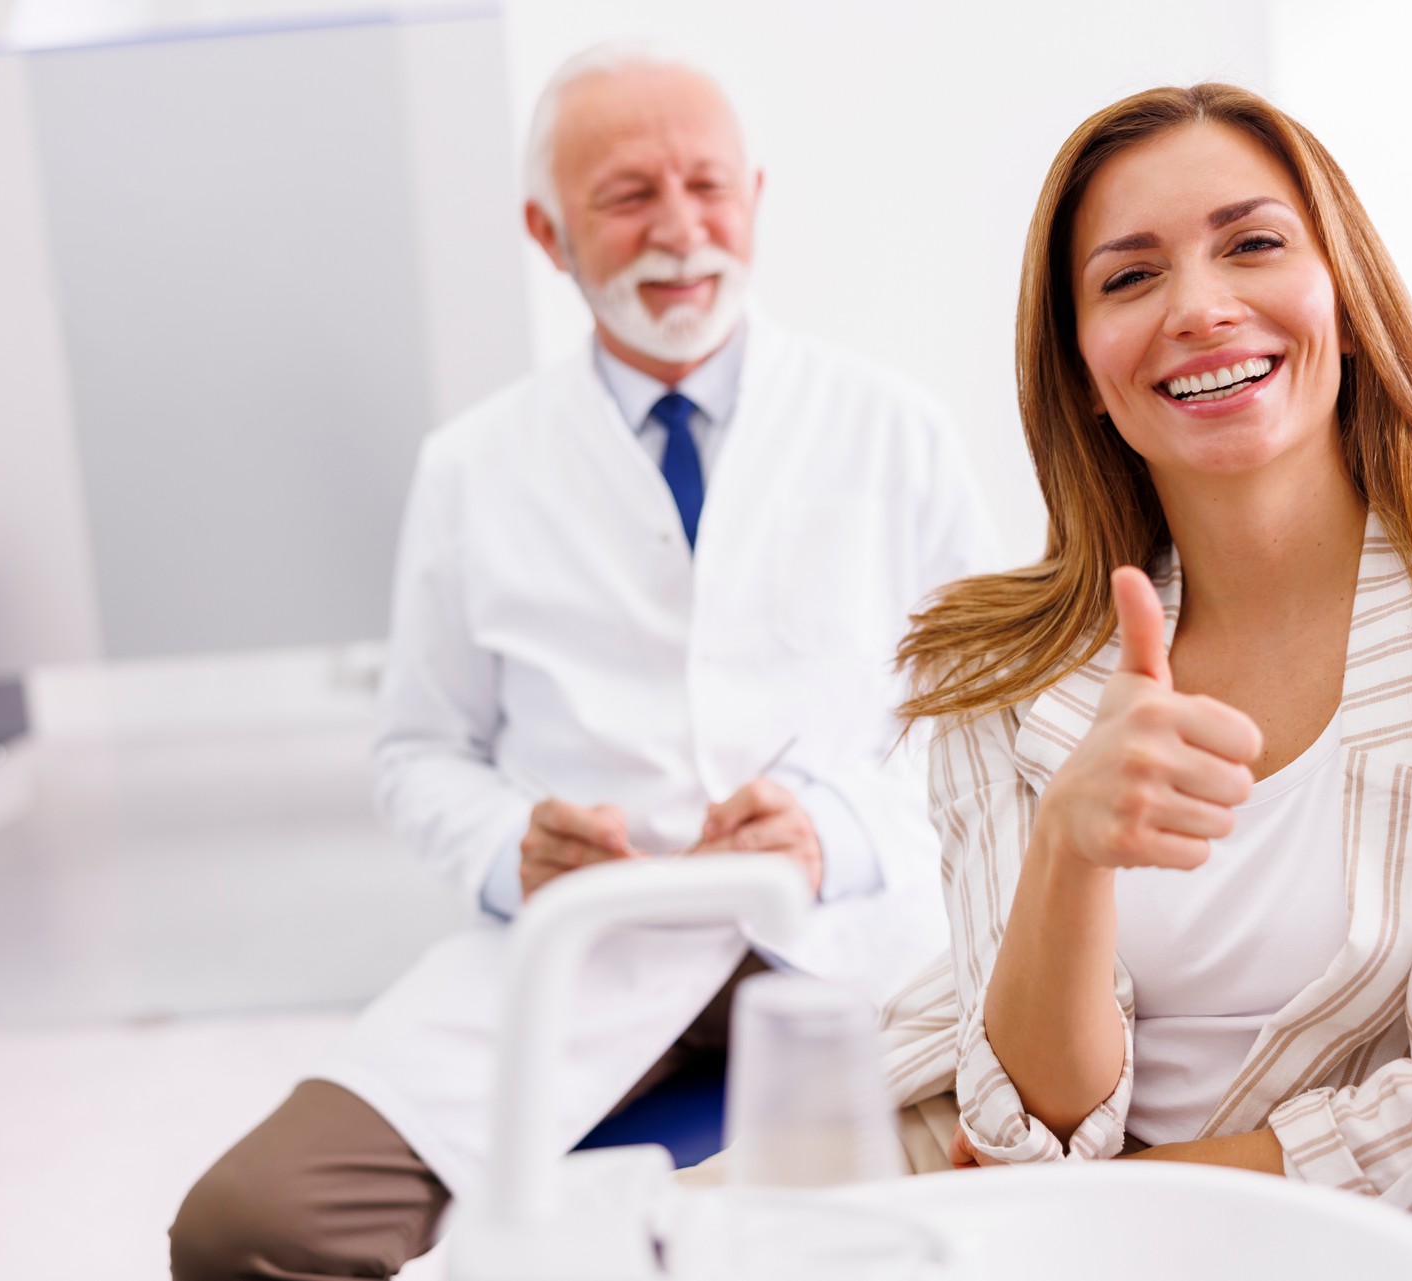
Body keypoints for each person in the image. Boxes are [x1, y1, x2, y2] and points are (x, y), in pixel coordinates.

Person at [169, 44, 997, 1279]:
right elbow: (418, 754)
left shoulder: (893, 429)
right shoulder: (473, 467)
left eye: (709, 187)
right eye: (627, 197)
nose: (681, 231)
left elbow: (985, 719)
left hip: (850, 937)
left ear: (756, 200)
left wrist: (841, 830)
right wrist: (514, 848)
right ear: (546, 234)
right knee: (250, 1229)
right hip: (591, 951)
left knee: (945, 1206)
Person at [878, 83, 1412, 1242]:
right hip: (948, 1166)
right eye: (1130, 276)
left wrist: (1103, 1214)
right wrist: (1068, 847)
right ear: (1087, 376)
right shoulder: (1002, 669)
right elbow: (1023, 1136)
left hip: (1285, 1239)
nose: (1201, 308)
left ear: (1347, 302)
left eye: (1252, 245)